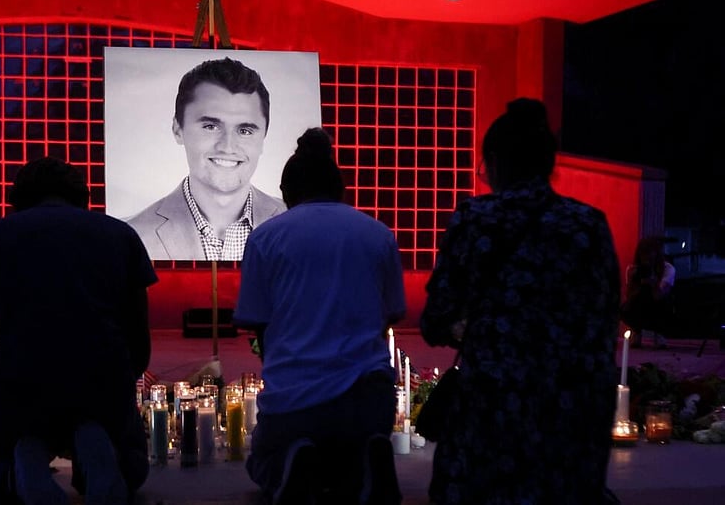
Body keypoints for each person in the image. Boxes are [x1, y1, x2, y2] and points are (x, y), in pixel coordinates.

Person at [419, 99, 621, 505]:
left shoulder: (476, 219)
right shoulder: (587, 224)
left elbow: (436, 317)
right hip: (569, 414)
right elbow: (602, 321)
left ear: (494, 161)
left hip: (493, 413)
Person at [0, 157, 157, 505]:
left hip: (23, 389)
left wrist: (1, 401)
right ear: (82, 195)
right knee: (132, 468)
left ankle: (20, 468)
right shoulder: (122, 235)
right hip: (102, 388)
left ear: (18, 198)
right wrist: (114, 395)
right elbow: (139, 343)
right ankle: (92, 443)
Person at [234, 128, 407, 505]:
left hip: (295, 399)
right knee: (348, 463)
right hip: (369, 400)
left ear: (287, 192)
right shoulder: (378, 233)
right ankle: (367, 459)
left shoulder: (266, 237)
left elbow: (258, 322)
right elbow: (391, 315)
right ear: (340, 189)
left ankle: (294, 463)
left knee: (261, 464)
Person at [127, 57, 287, 261]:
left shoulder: (298, 227)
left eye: (245, 130)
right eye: (211, 126)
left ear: (263, 136)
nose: (228, 146)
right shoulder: (133, 236)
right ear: (178, 130)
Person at [620, 236, 676, 348]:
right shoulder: (633, 270)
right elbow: (629, 299)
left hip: (659, 305)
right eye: (643, 254)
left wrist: (653, 283)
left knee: (663, 303)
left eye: (650, 254)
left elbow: (659, 297)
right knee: (627, 306)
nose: (647, 258)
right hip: (640, 305)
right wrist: (633, 281)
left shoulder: (667, 269)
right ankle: (636, 331)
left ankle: (659, 333)